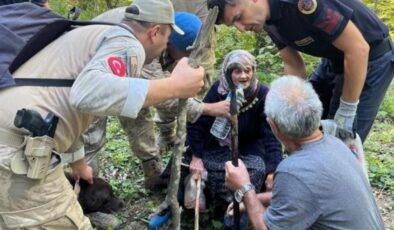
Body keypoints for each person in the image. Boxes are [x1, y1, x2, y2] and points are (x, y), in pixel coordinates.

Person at [0, 0, 204, 229]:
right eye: (167, 38)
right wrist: (175, 86)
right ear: (155, 32)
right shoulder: (128, 44)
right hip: (16, 148)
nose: (166, 45)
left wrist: (78, 164)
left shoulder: (95, 34)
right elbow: (86, 93)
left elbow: (67, 105)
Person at [208, 0, 394, 142]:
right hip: (333, 59)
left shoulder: (301, 3)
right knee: (304, 125)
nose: (240, 29)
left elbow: (358, 49)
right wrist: (293, 103)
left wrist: (347, 110)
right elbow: (293, 63)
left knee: (342, 140)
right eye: (233, 25)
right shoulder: (267, 20)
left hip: (370, 59)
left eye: (238, 17)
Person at [87, 10, 229, 189]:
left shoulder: (163, 26)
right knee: (91, 137)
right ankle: (89, 195)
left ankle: (151, 169)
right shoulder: (144, 43)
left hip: (116, 67)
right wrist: (207, 108)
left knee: (136, 107)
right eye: (184, 57)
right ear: (169, 44)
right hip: (86, 75)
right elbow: (164, 96)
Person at [225, 76, 385, 229]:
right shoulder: (335, 145)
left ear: (273, 125)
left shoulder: (293, 171)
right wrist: (258, 198)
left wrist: (245, 188)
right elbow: (307, 195)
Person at [157, 50, 282, 228]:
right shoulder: (218, 89)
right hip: (214, 145)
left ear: (254, 71)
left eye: (248, 70)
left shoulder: (262, 95)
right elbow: (196, 123)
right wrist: (197, 157)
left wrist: (273, 171)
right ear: (227, 73)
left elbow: (271, 136)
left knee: (255, 171)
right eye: (237, 71)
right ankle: (174, 204)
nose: (243, 75)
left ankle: (235, 217)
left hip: (246, 150)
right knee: (183, 161)